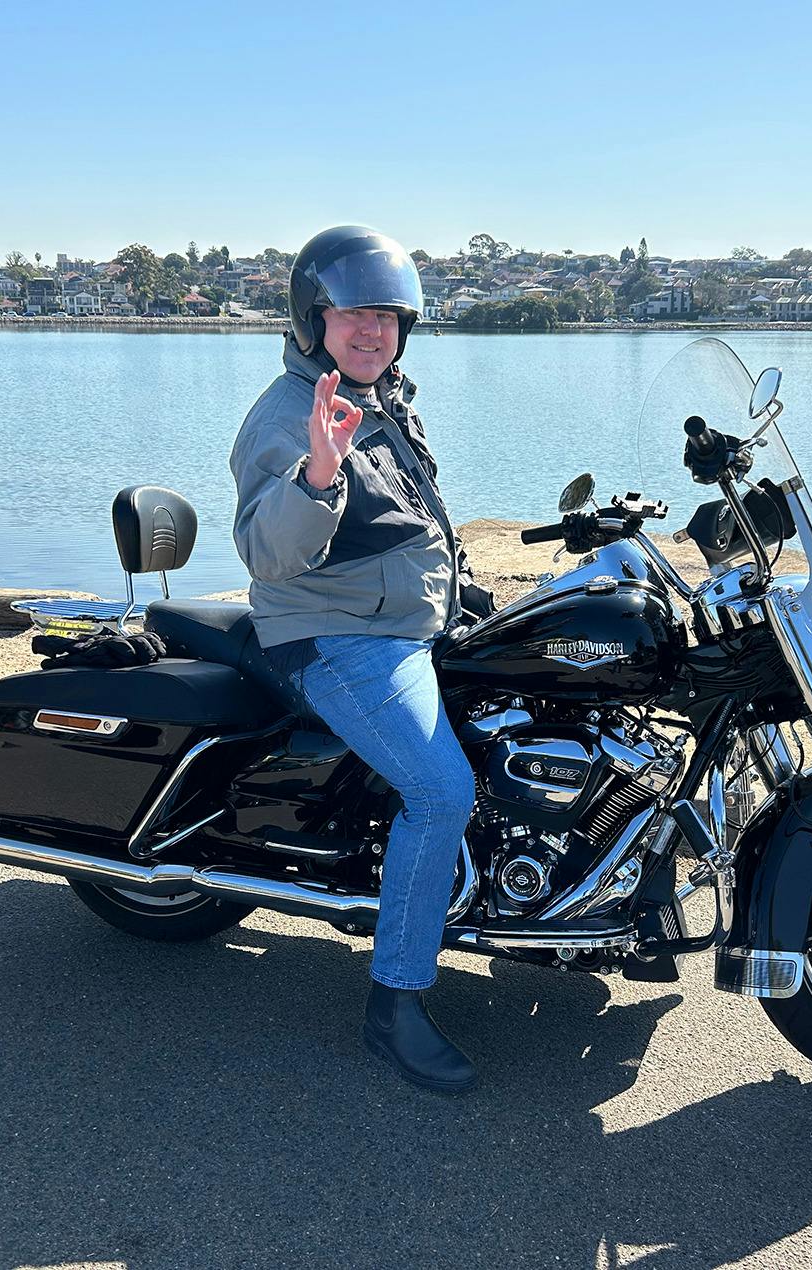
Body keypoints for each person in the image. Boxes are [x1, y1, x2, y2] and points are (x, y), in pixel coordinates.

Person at [229, 226, 494, 1094]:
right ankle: (396, 1003)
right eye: (352, 315)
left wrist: (464, 593)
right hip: (338, 636)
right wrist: (318, 473)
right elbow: (268, 553)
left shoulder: (382, 398)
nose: (372, 330)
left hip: (407, 621)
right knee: (441, 791)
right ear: (314, 320)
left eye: (386, 316)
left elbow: (413, 523)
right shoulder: (287, 415)